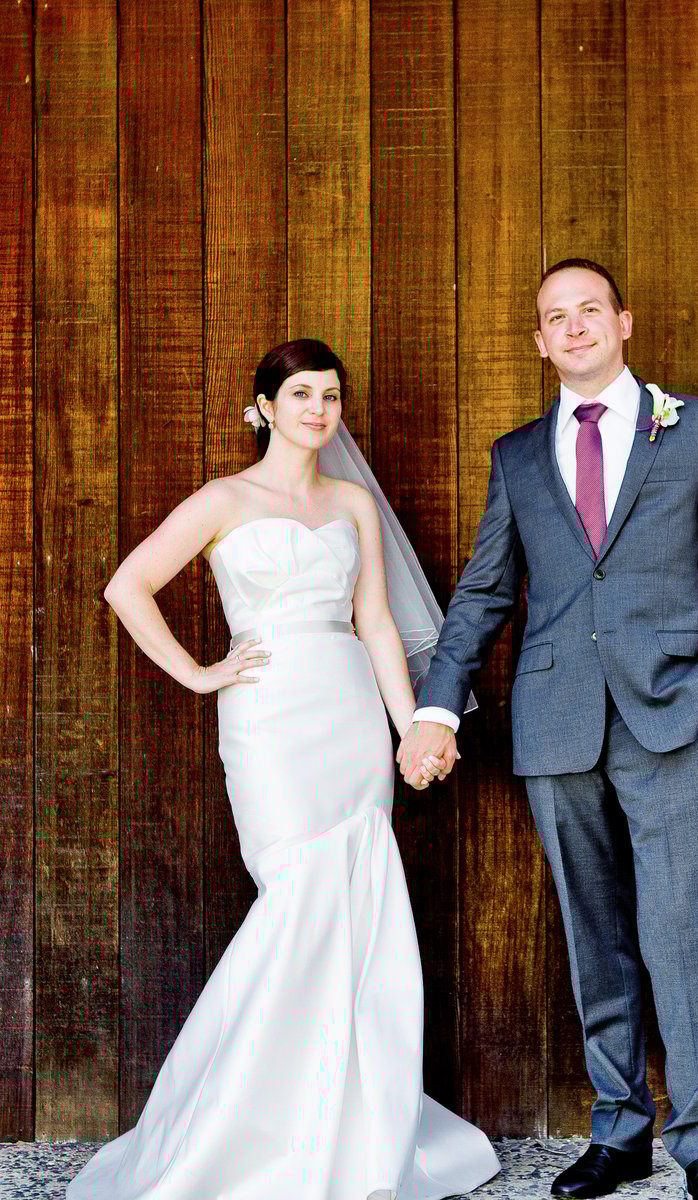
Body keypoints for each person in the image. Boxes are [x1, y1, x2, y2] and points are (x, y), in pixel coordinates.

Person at [69, 339, 497, 1200]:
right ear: (264, 407)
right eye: (301, 394)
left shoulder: (352, 502)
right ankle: (241, 1134)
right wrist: (199, 673)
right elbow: (127, 586)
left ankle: (348, 1125)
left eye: (330, 396)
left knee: (355, 909)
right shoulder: (224, 498)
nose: (318, 410)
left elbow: (376, 621)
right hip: (269, 718)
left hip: (349, 711)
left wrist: (410, 727)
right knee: (297, 899)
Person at [399, 260, 698, 1200]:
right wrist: (437, 706)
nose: (574, 327)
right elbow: (485, 592)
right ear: (540, 341)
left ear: (623, 321)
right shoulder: (518, 456)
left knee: (680, 934)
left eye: (589, 311)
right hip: (557, 723)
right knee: (593, 933)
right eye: (555, 317)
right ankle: (620, 1132)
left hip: (673, 715)